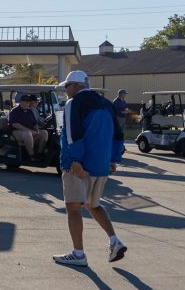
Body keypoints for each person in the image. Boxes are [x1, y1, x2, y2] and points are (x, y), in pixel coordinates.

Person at [53, 70, 127, 267]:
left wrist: (75, 162)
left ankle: (78, 254)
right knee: (93, 205)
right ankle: (114, 241)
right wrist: (114, 159)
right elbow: (118, 135)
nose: (66, 90)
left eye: (67, 86)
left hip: (80, 165)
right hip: (101, 165)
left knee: (73, 208)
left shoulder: (73, 103)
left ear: (76, 86)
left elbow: (72, 135)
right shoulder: (106, 104)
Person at [9, 94, 48, 159]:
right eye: (24, 102)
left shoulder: (29, 111)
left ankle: (39, 153)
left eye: (27, 102)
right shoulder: (15, 111)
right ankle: (32, 155)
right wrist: (29, 130)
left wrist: (37, 130)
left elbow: (35, 123)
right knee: (28, 134)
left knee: (44, 133)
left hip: (28, 131)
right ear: (21, 102)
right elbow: (15, 124)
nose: (26, 103)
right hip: (15, 132)